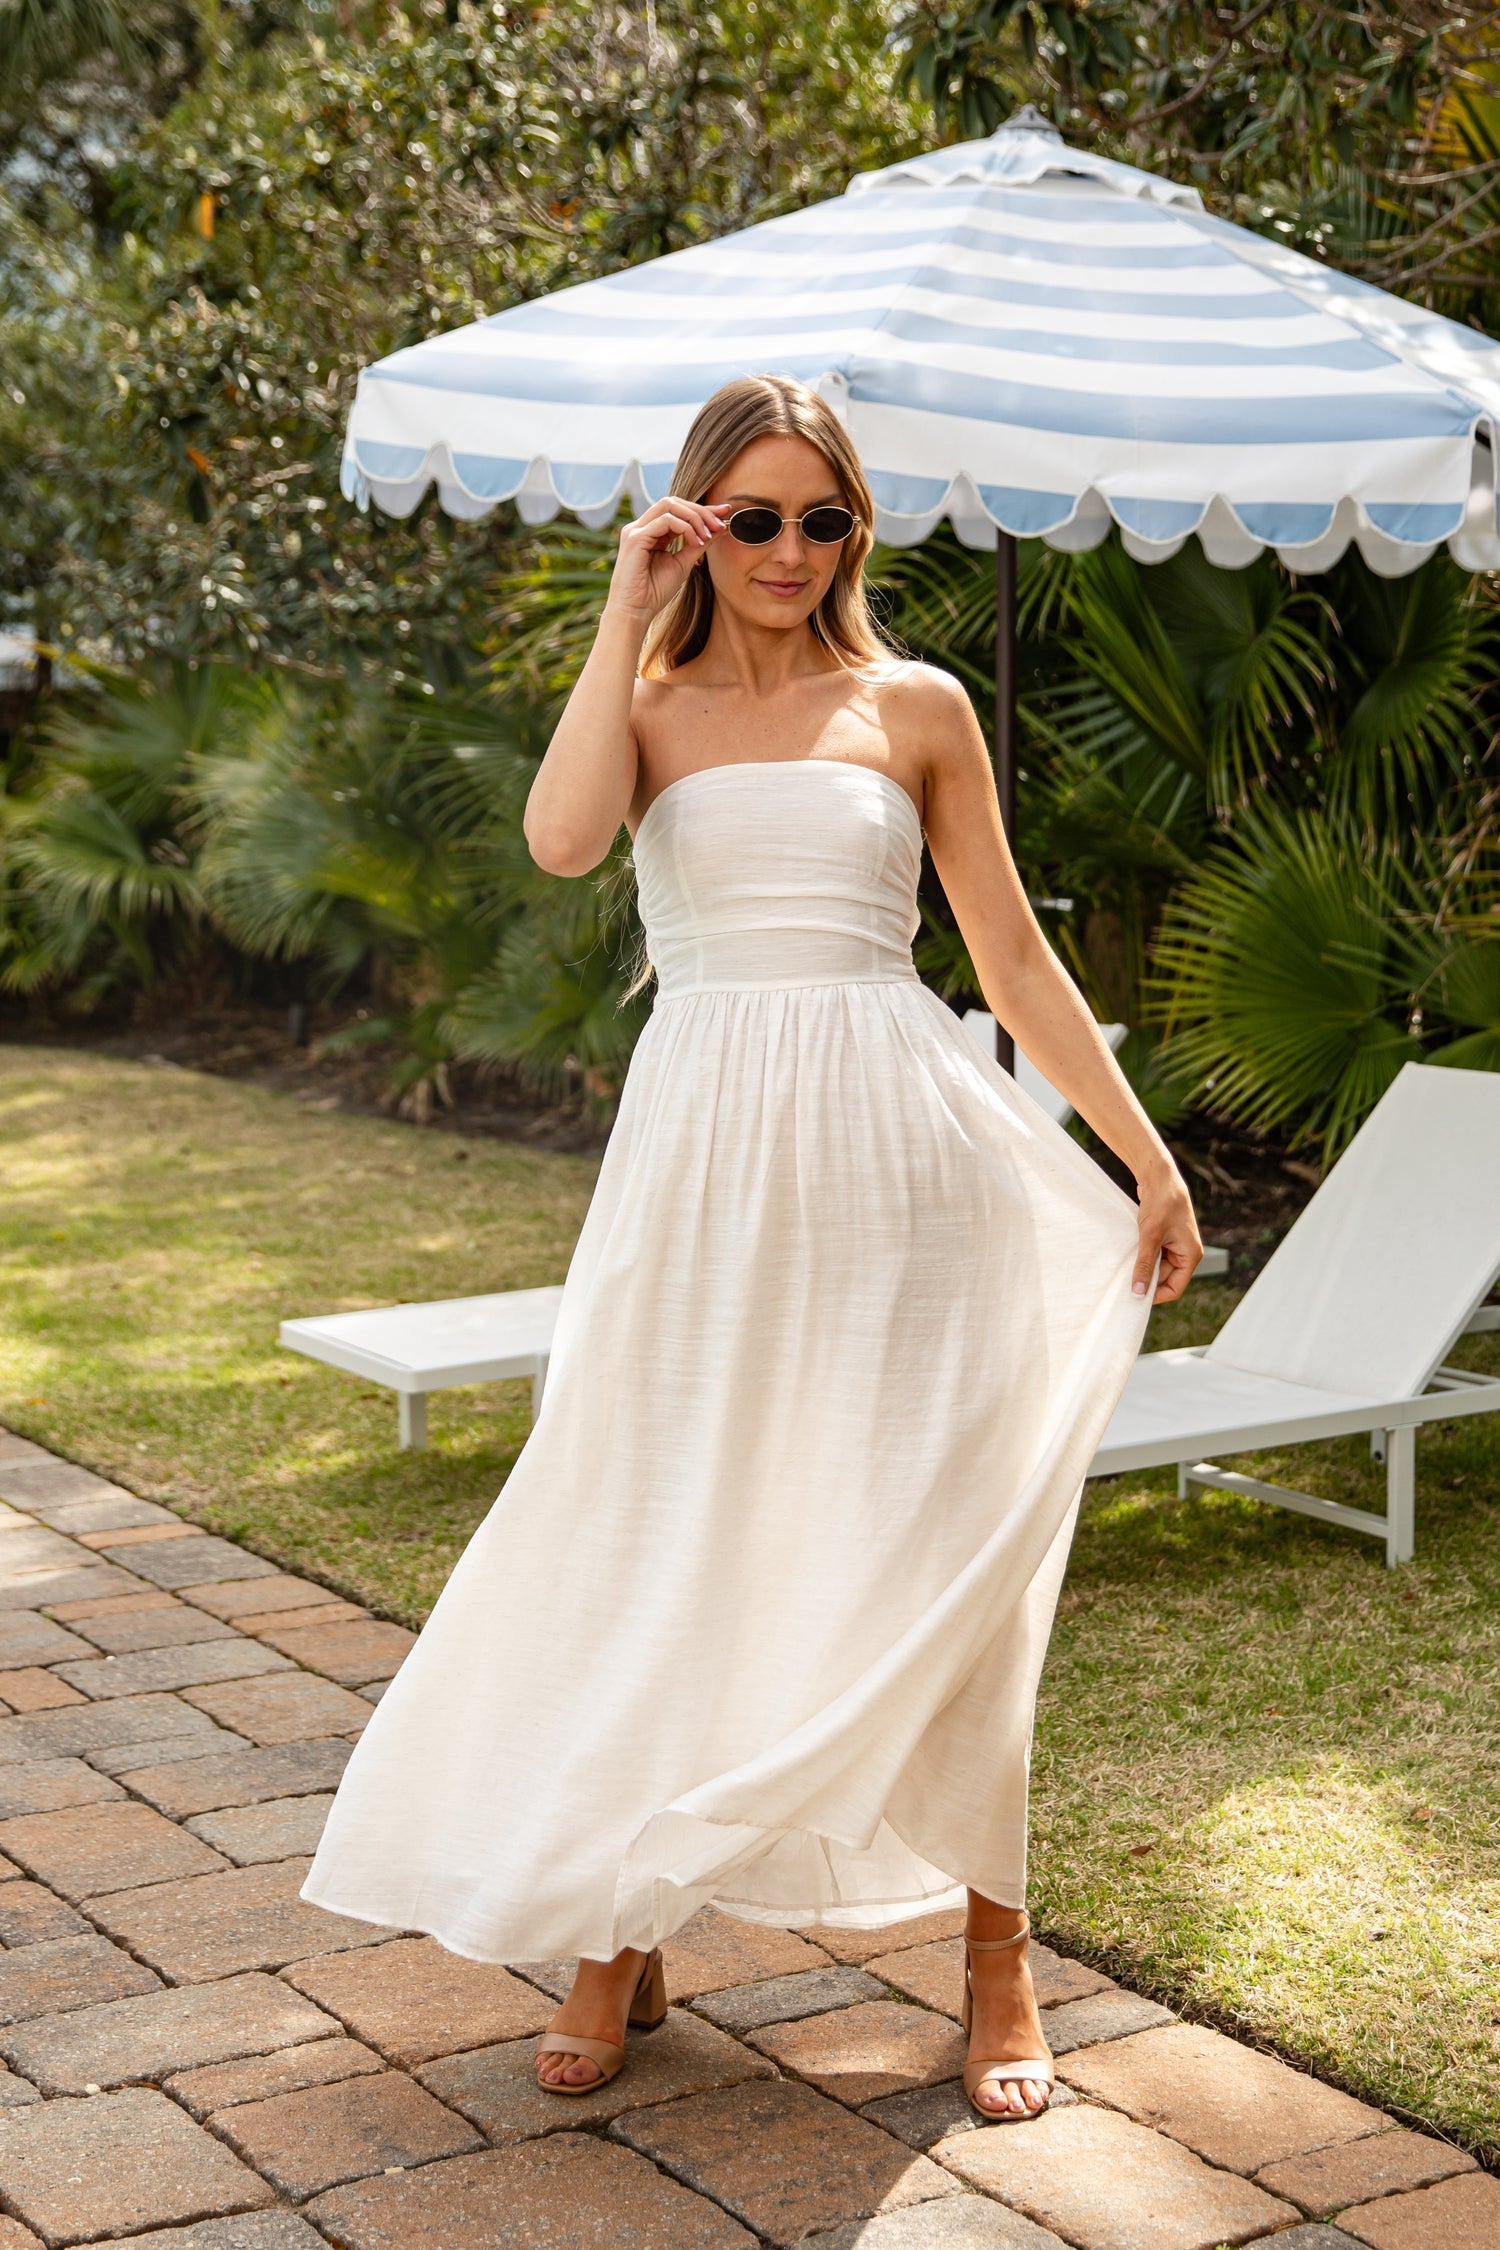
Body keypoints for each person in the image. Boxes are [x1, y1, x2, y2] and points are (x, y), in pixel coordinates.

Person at [301, 373, 1201, 2122]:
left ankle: (996, 1952)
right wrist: (624, 607)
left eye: (824, 518)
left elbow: (1011, 958)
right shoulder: (644, 705)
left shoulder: (916, 705)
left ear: (857, 530)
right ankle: (616, 1926)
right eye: (756, 517)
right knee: (660, 1525)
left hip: (903, 1167)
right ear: (697, 520)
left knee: (942, 1546)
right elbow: (562, 839)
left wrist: (1145, 1159)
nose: (792, 550)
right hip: (702, 1168)